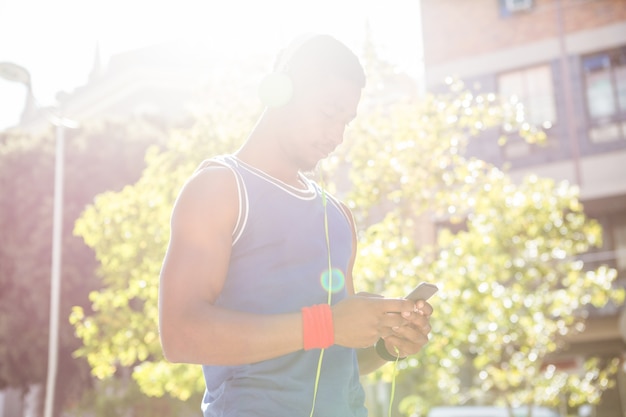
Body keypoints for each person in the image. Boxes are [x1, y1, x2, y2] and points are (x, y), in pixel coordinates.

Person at [158, 33, 434, 417]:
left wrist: (387, 342)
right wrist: (330, 324)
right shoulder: (219, 188)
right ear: (282, 92)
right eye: (328, 112)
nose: (337, 136)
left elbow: (335, 356)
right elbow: (179, 335)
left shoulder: (338, 215)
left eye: (346, 121)